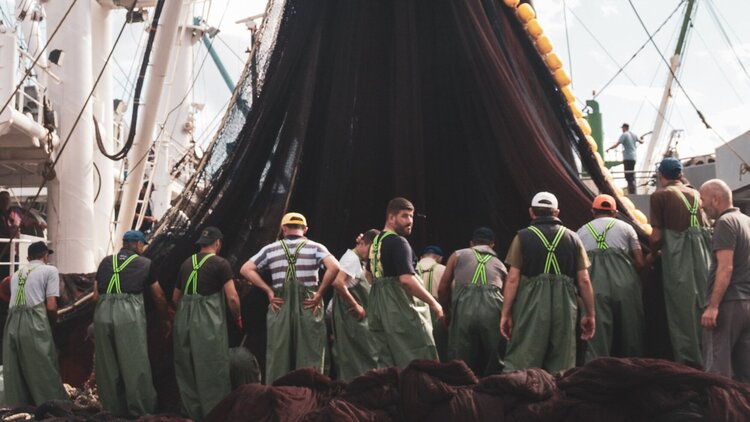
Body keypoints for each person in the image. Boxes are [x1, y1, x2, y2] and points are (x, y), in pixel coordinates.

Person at [501, 192, 596, 372]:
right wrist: (590, 313)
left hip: (531, 304)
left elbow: (512, 279)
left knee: (524, 357)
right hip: (565, 306)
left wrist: (506, 314)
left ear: (531, 212)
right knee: (563, 360)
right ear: (557, 212)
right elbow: (584, 280)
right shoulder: (573, 238)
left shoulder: (522, 237)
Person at [240, 212, 340, 383]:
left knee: (279, 354)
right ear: (305, 229)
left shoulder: (270, 249)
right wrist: (320, 293)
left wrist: (268, 291)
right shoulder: (316, 247)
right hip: (309, 304)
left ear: (283, 229)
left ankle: (279, 397)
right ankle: (311, 397)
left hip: (280, 303)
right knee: (311, 352)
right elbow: (334, 267)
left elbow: (245, 269)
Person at [93, 230, 169, 417]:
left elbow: (95, 296)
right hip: (127, 315)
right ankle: (142, 413)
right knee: (134, 363)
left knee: (107, 366)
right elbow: (158, 295)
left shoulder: (105, 262)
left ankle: (112, 412)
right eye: (143, 245)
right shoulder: (145, 264)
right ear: (137, 245)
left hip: (102, 313)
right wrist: (165, 318)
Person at [173, 226, 242, 420]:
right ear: (218, 243)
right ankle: (215, 413)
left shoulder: (186, 263)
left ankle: (191, 413)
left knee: (186, 366)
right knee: (212, 365)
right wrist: (237, 317)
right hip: (207, 320)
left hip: (183, 318)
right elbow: (233, 298)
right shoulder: (221, 264)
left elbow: (175, 297)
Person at [649, 158, 711, 367]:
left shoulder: (660, 196)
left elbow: (656, 237)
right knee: (704, 306)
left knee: (681, 313)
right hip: (703, 257)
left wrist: (649, 256)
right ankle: (710, 360)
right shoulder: (696, 194)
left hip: (678, 259)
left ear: (661, 175)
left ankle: (690, 366)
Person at [368, 197, 444, 368]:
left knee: (387, 362)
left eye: (411, 216)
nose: (410, 221)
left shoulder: (376, 242)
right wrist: (434, 304)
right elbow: (406, 280)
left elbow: (369, 274)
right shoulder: (398, 242)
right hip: (400, 306)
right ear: (391, 217)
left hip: (378, 305)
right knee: (419, 356)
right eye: (404, 216)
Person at [577, 194, 646, 361]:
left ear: (593, 211)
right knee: (631, 330)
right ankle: (633, 370)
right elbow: (640, 261)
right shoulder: (627, 228)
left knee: (597, 334)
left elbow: (578, 267)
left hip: (594, 287)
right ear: (614, 212)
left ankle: (597, 373)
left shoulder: (580, 232)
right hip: (626, 284)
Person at [3, 241, 67, 405]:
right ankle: (53, 406)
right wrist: (52, 324)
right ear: (45, 255)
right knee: (43, 365)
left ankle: (19, 408)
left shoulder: (16, 274)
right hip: (34, 319)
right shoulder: (50, 270)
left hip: (11, 321)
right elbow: (51, 306)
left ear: (27, 257)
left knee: (16, 369)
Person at [699, 179, 750, 382]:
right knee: (746, 371)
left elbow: (725, 267)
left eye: (702, 199)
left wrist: (713, 307)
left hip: (729, 304)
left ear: (716, 199)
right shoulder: (746, 220)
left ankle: (718, 412)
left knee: (716, 371)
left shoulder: (725, 223)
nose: (701, 205)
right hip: (747, 303)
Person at [438, 227, 506, 376]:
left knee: (460, 361)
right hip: (493, 310)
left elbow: (442, 289)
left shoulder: (458, 255)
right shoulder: (500, 265)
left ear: (471, 243)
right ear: (492, 245)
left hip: (464, 312)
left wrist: (448, 313)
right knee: (494, 361)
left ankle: (462, 393)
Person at [330, 229, 380, 381]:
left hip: (354, 315)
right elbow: (338, 283)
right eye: (371, 249)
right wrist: (355, 305)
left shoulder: (358, 260)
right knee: (356, 352)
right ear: (362, 243)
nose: (371, 254)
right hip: (350, 314)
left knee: (364, 350)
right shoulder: (351, 259)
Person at [416, 245, 448, 361]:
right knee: (439, 345)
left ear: (421, 257)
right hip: (438, 310)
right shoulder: (443, 269)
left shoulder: (411, 269)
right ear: (439, 258)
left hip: (415, 310)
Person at [606, 123, 644, 194]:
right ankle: (633, 191)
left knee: (627, 176)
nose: (622, 130)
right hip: (633, 158)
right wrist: (642, 138)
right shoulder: (634, 135)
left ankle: (631, 192)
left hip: (627, 158)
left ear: (625, 128)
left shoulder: (624, 135)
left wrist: (609, 148)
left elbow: (617, 144)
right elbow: (642, 142)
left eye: (622, 128)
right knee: (631, 174)